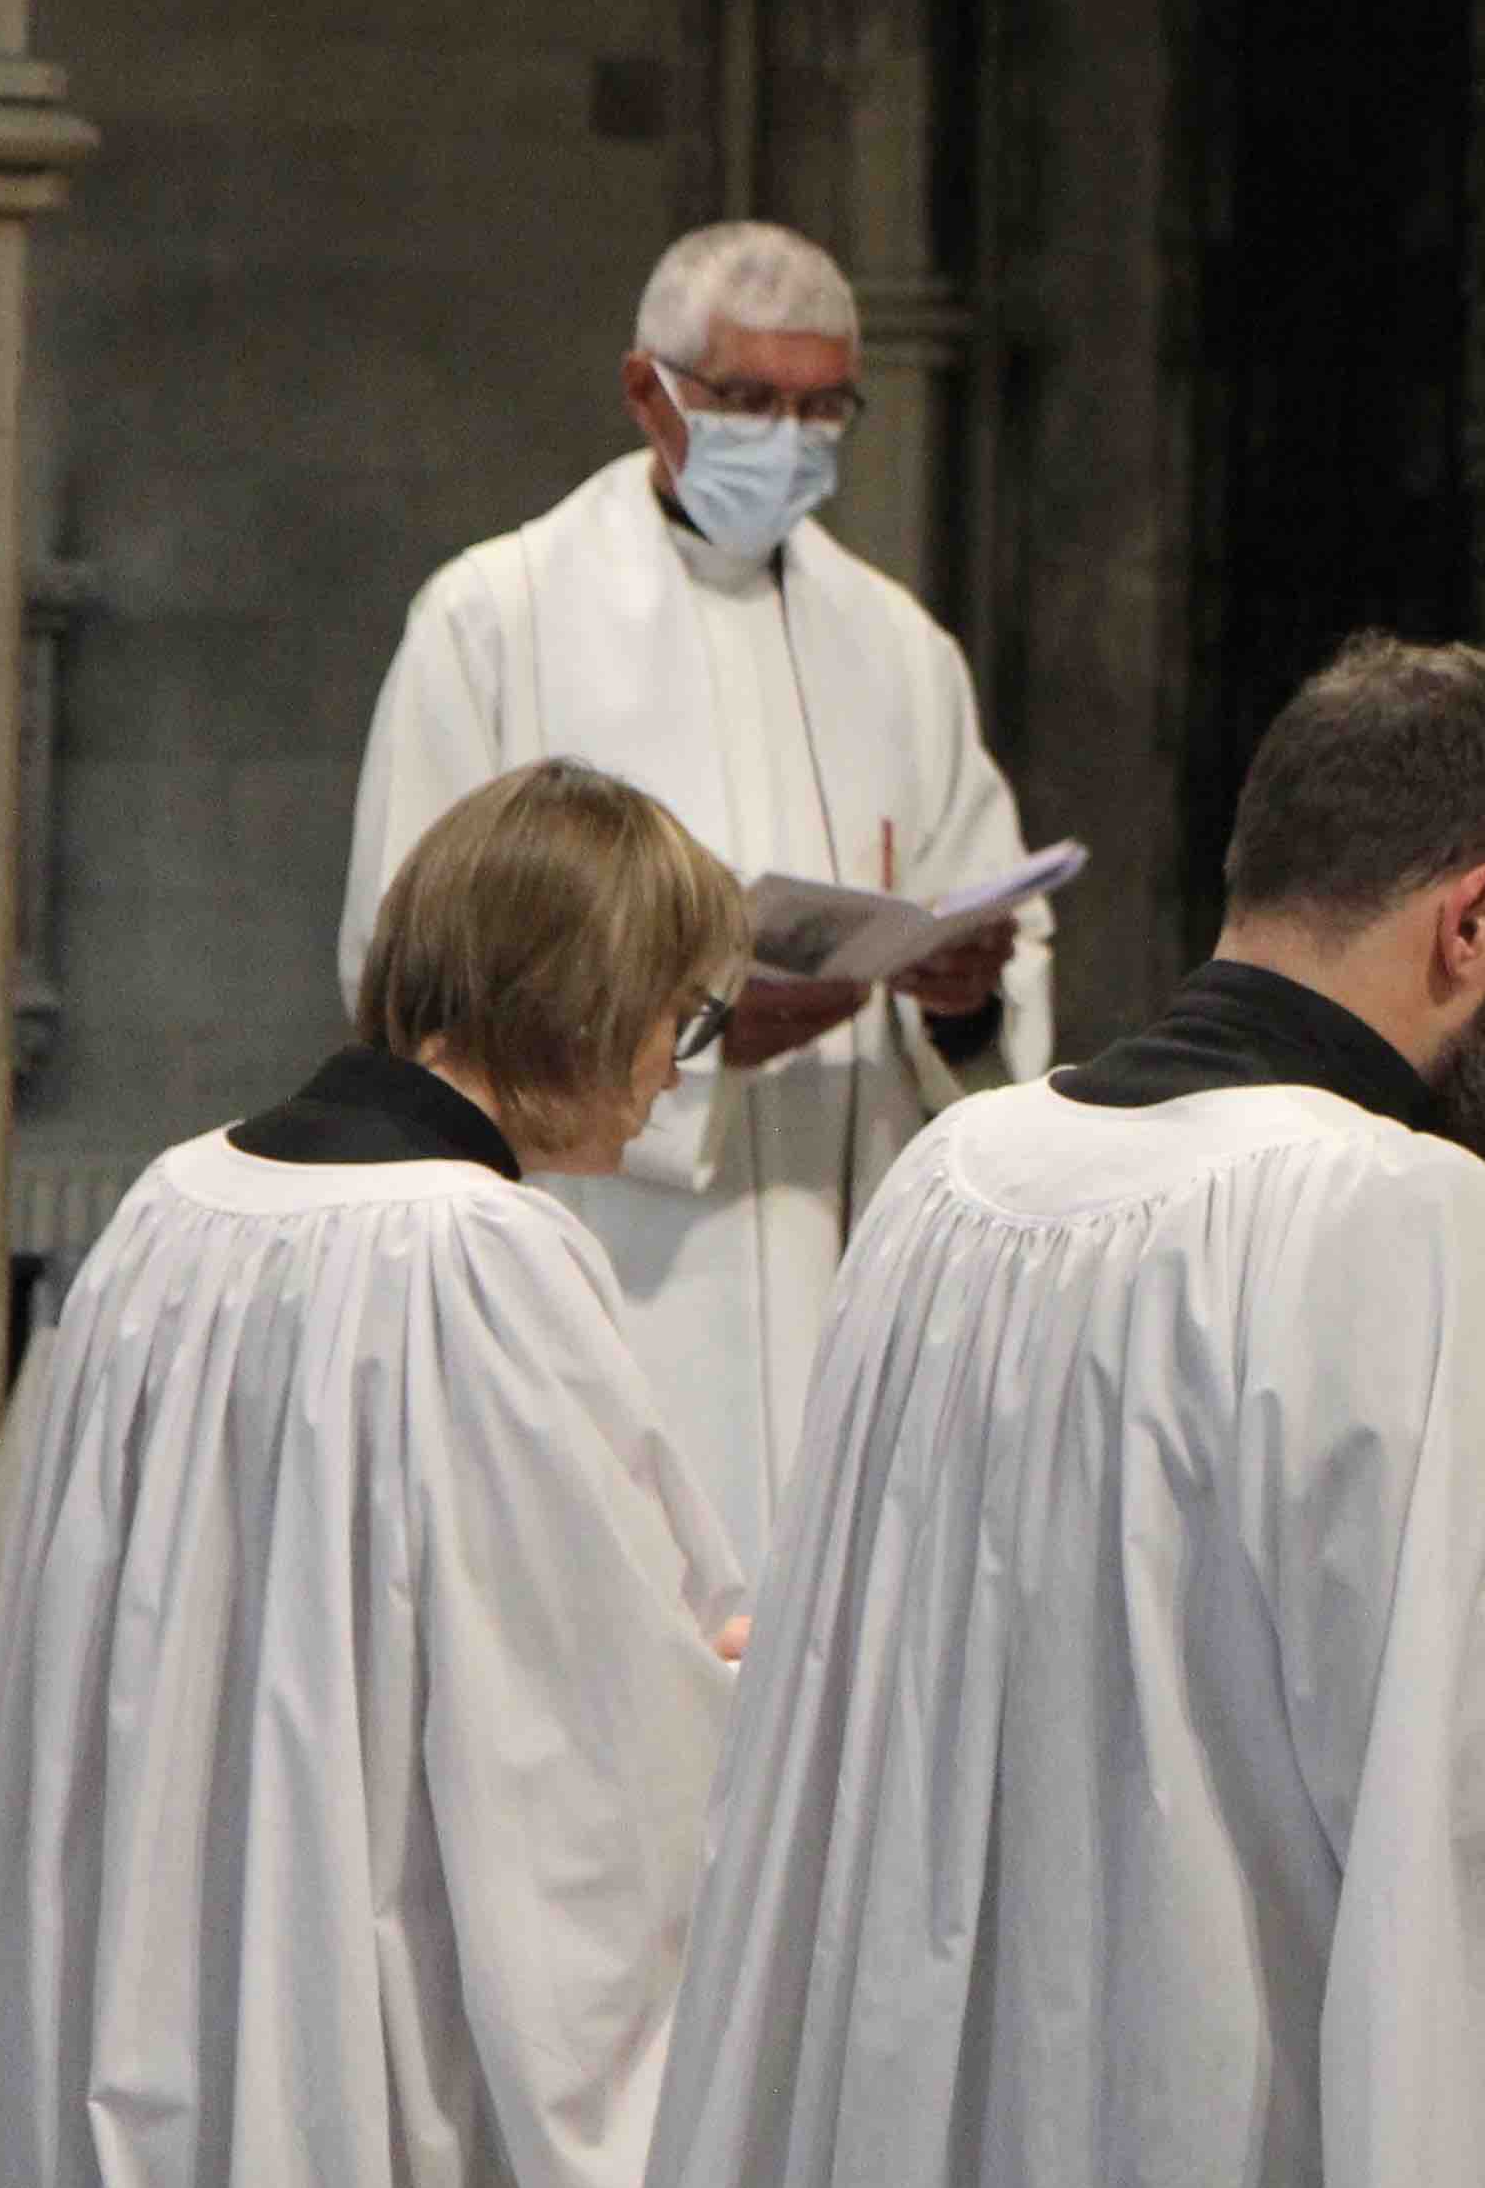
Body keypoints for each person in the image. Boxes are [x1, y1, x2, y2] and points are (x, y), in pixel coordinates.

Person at [643, 635, 1485, 2188]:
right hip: (1222, 2143)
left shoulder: (956, 1180)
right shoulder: (1410, 1224)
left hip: (940, 2139)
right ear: (1470, 921)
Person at [0, 759, 756, 2188]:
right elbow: (576, 1732)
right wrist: (746, 1688)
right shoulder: (479, 1259)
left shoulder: (174, 1205)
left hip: (147, 1947)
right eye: (679, 1017)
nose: (678, 1069)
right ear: (584, 997)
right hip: (346, 1965)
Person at [337, 219, 1052, 1573]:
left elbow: (990, 953)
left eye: (821, 405)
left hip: (846, 1262)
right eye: (747, 401)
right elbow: (406, 969)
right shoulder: (494, 617)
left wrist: (960, 1005)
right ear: (646, 391)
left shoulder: (899, 649)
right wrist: (704, 1031)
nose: (787, 438)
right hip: (603, 1259)